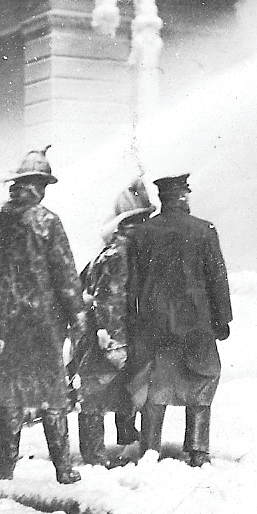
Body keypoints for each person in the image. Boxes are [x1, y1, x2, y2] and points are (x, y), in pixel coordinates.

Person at [0, 146, 85, 484]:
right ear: (39, 184)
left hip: (1, 326)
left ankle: (6, 468)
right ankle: (63, 469)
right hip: (42, 324)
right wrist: (77, 315)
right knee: (52, 394)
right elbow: (65, 274)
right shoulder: (47, 222)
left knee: (8, 395)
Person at [129, 173, 232, 467]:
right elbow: (217, 279)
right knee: (202, 379)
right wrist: (223, 319)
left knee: (155, 384)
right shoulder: (204, 230)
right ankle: (198, 450)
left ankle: (149, 448)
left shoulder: (142, 232)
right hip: (197, 323)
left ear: (163, 199)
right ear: (183, 198)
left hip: (154, 322)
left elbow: (132, 286)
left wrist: (133, 322)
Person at [73, 179, 154, 467]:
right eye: (140, 220)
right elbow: (108, 302)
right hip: (104, 337)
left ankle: (124, 445)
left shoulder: (117, 251)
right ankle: (93, 458)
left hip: (107, 334)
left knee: (124, 393)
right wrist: (114, 345)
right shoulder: (119, 255)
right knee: (95, 397)